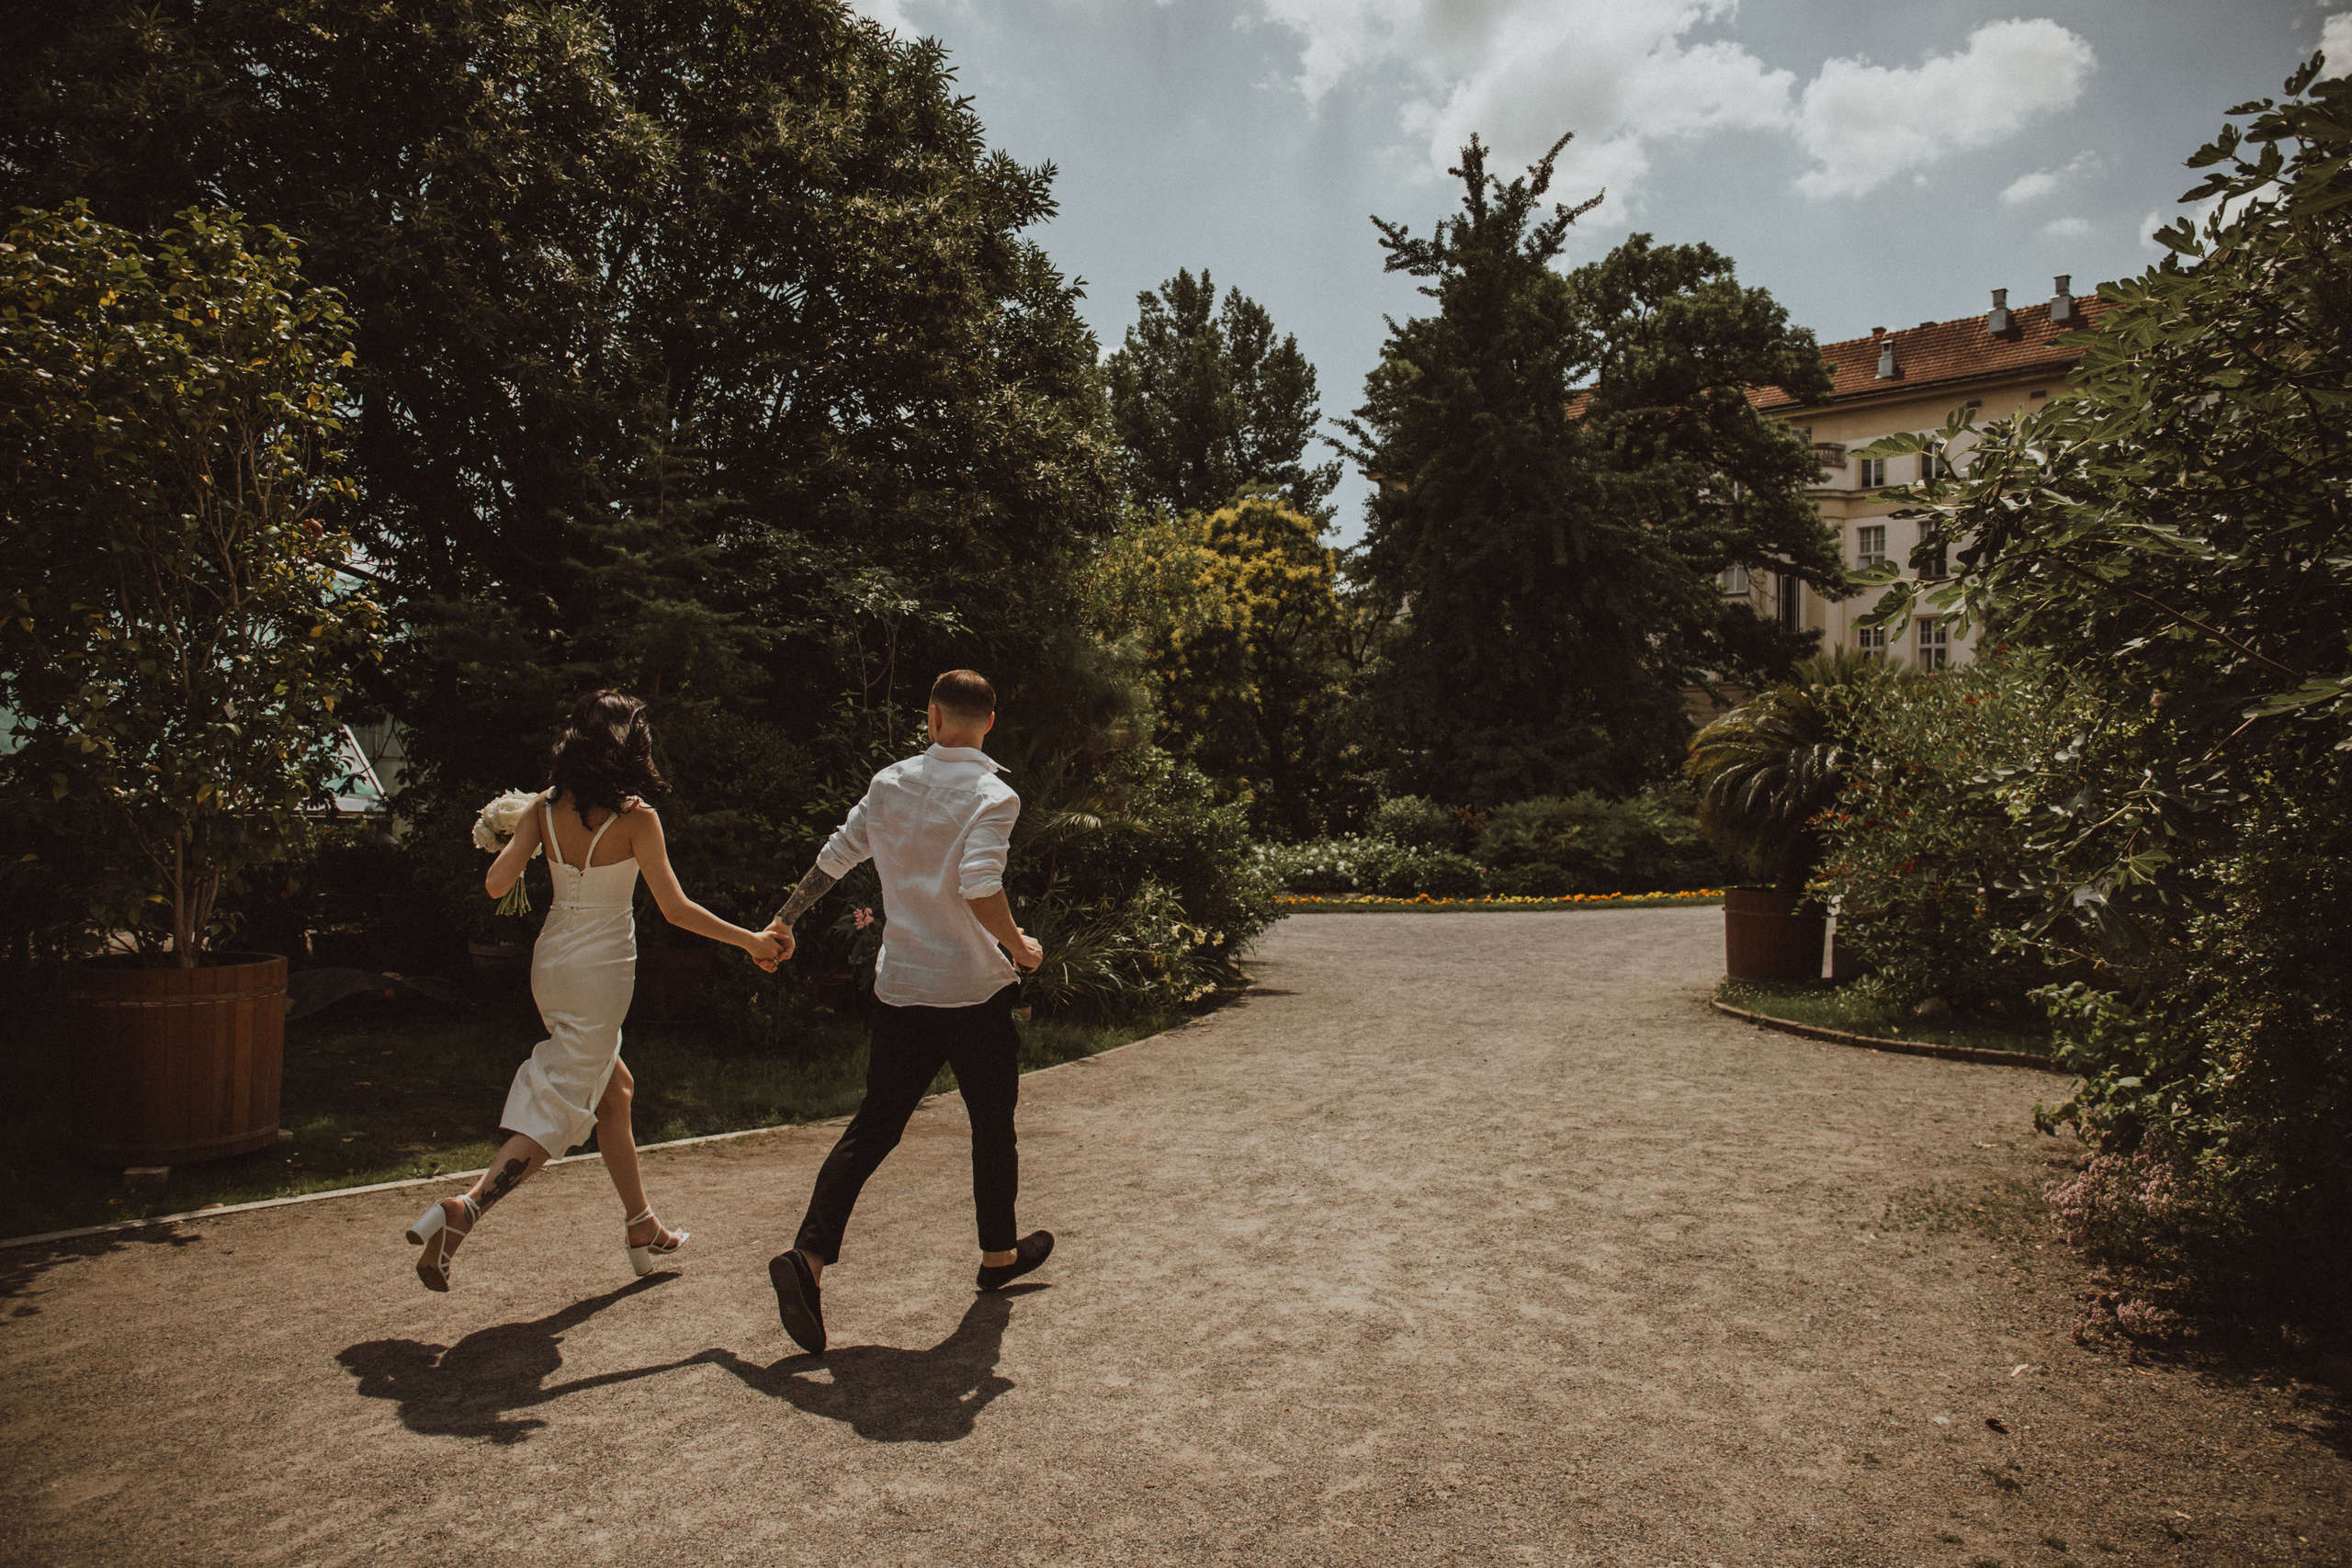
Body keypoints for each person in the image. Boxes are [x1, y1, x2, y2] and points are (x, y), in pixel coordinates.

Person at [405, 691, 785, 1292]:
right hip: (602, 973)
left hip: (552, 963)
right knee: (560, 1110)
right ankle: (465, 1210)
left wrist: (524, 834)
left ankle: (641, 1223)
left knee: (616, 1089)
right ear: (631, 750)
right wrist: (751, 940)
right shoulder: (637, 819)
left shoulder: (545, 808)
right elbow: (676, 908)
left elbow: (496, 882)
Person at [759, 669, 1051, 1354]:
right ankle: (996, 1254)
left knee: (875, 1125)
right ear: (990, 721)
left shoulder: (889, 782)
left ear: (931, 717)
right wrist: (1023, 947)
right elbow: (981, 885)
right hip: (973, 989)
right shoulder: (993, 793)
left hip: (902, 987)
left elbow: (834, 858)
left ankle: (808, 1257)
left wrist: (780, 921)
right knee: (991, 1124)